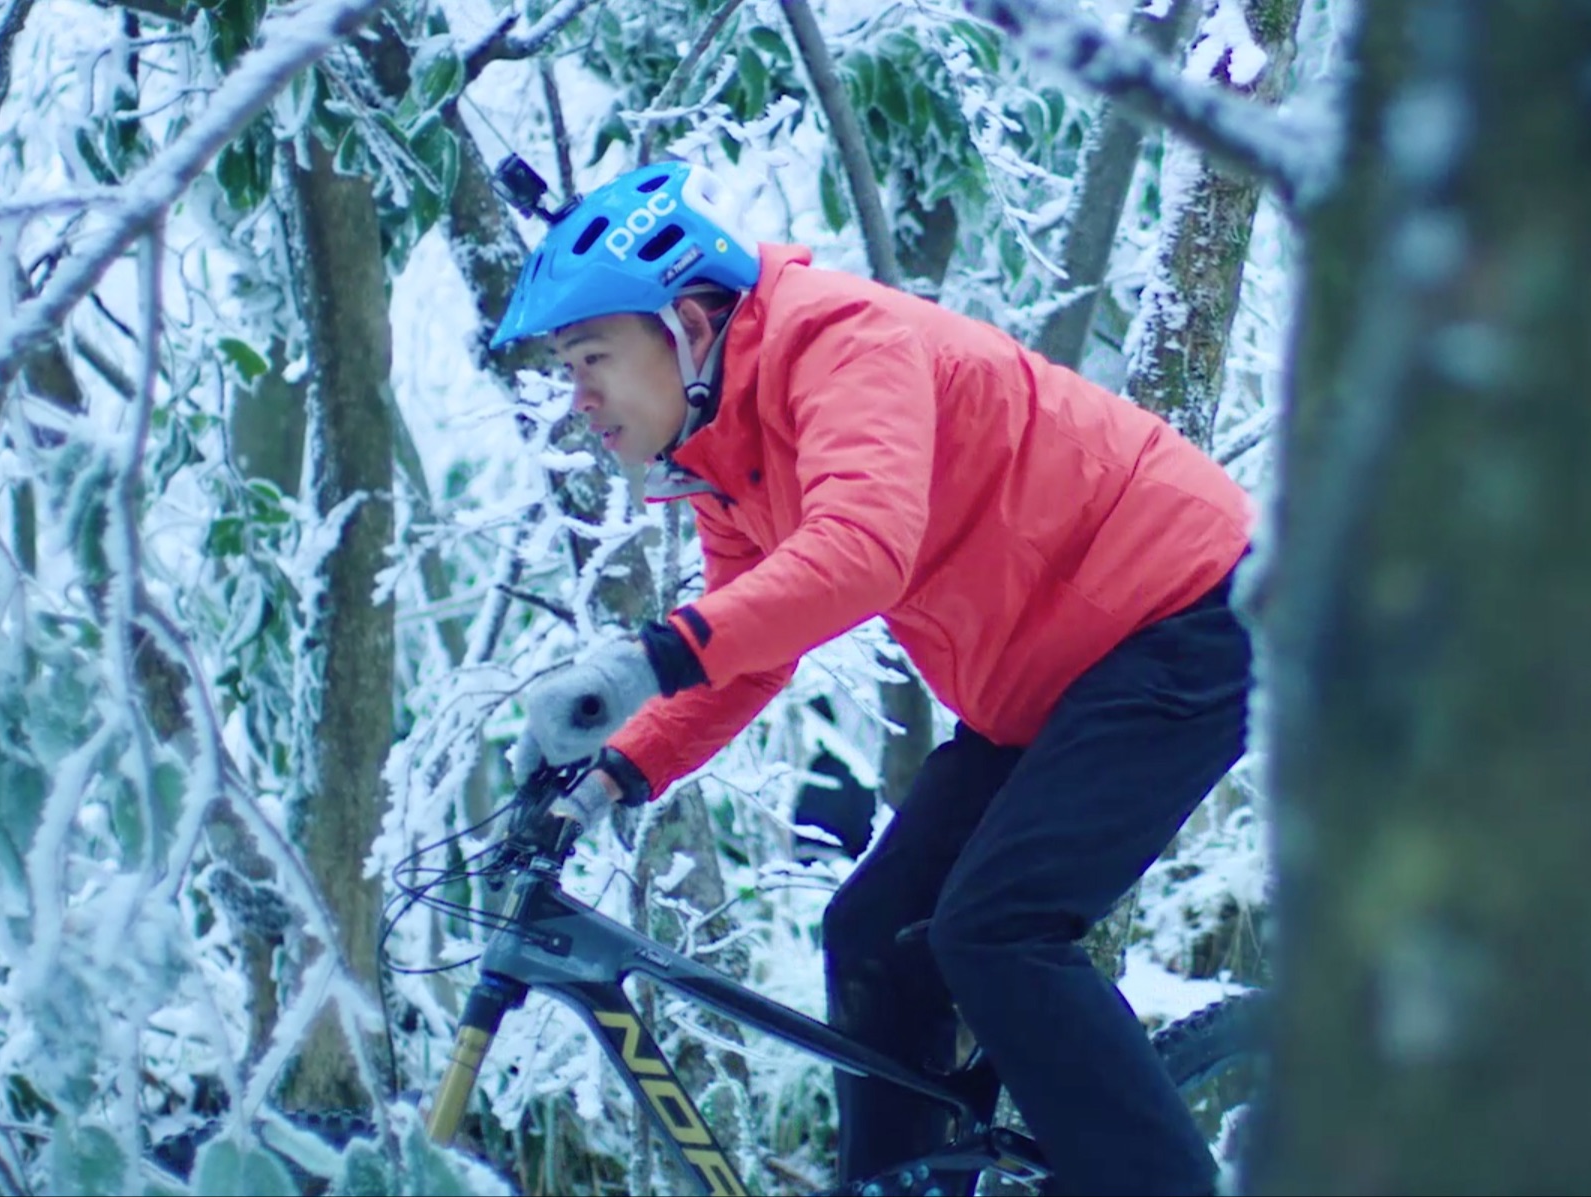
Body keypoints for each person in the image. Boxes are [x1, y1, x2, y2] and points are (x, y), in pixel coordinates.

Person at [496, 160, 1253, 1197]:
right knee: (873, 936)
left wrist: (648, 657)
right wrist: (610, 776)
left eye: (592, 359)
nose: (578, 399)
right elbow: (749, 645)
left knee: (995, 931)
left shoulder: (840, 343)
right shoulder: (723, 449)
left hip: (1187, 617)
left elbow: (861, 552)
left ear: (686, 326)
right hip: (1052, 679)